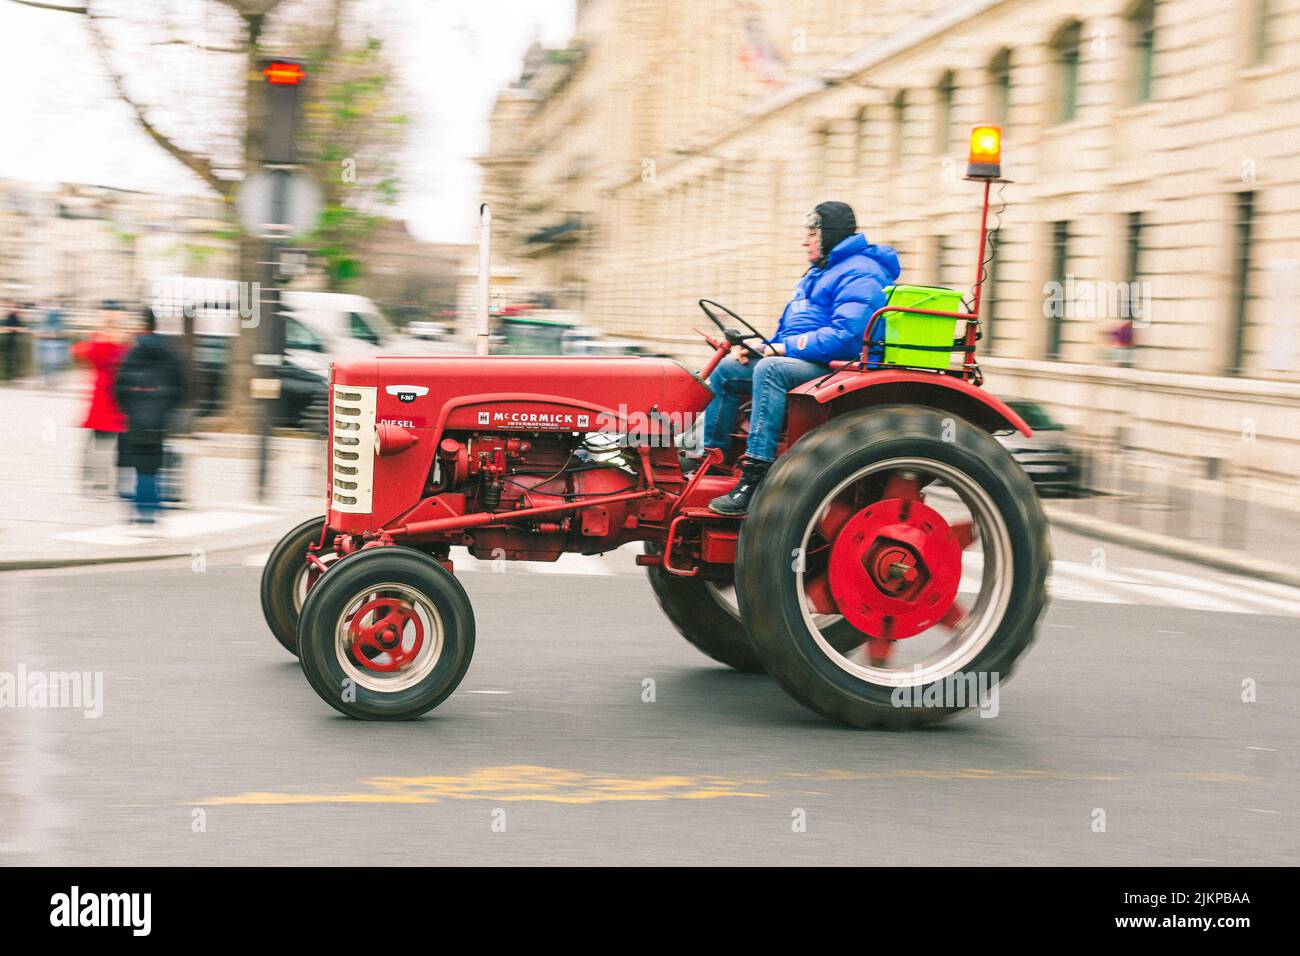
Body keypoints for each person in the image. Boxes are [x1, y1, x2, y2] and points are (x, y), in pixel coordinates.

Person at [700, 201, 901, 515]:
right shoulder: (820, 272)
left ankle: (756, 478)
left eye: (812, 233)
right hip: (811, 358)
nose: (804, 241)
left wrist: (783, 349)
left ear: (829, 235)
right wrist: (760, 346)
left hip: (840, 366)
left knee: (771, 370)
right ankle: (711, 464)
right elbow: (796, 329)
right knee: (727, 370)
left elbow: (848, 336)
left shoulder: (862, 271)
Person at [114, 307, 185, 525]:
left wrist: (131, 409)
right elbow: (180, 387)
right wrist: (165, 409)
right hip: (159, 419)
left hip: (136, 419)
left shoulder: (132, 353)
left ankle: (140, 508)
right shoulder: (169, 352)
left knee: (138, 463)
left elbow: (119, 388)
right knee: (154, 462)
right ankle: (151, 509)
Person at [70, 306, 131, 497]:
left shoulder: (98, 346)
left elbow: (77, 352)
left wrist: (97, 334)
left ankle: (95, 480)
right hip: (120, 398)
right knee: (113, 442)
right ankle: (111, 480)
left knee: (96, 442)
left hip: (100, 399)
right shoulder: (125, 349)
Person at [1, 303, 26, 382]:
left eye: (12, 307)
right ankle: (8, 376)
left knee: (13, 359)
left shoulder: (15, 317)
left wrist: (11, 328)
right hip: (6, 341)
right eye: (9, 307)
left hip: (13, 341)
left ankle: (11, 376)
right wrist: (13, 329)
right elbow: (3, 328)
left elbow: (22, 328)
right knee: (7, 359)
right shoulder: (5, 317)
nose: (11, 309)